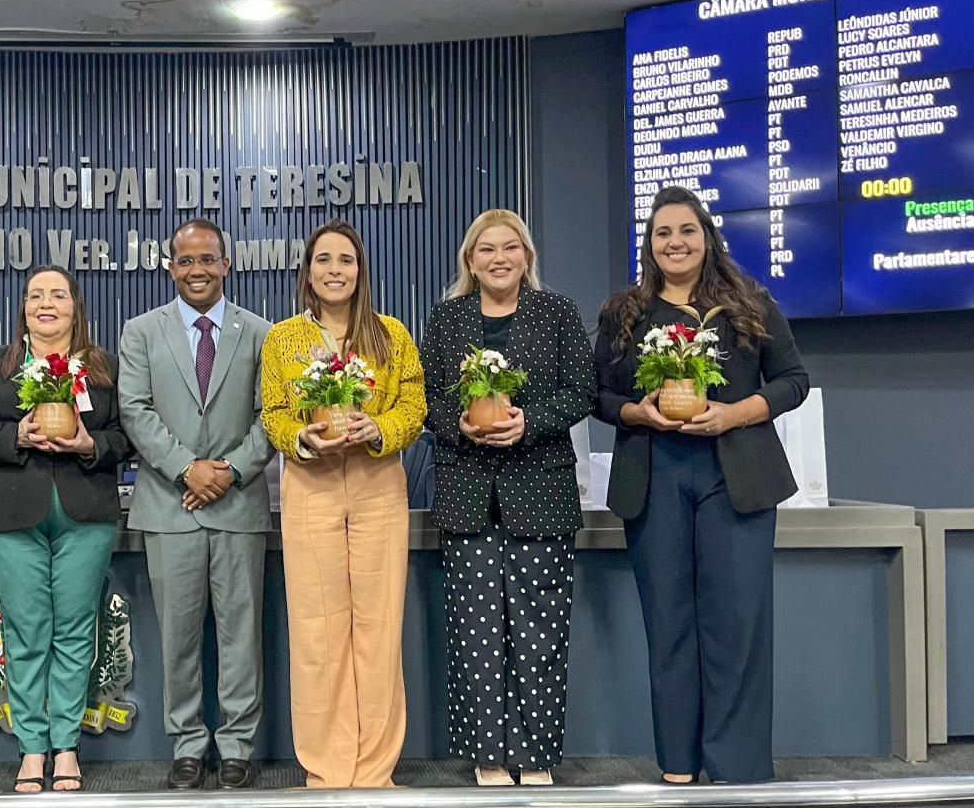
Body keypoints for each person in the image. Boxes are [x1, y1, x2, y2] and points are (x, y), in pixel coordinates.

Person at [593, 185, 809, 784]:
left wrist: (736, 412)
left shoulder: (750, 303)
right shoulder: (624, 313)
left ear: (706, 237)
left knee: (736, 625)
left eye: (686, 230)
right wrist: (638, 412)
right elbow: (598, 397)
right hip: (655, 474)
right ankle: (680, 764)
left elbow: (794, 379)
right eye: (663, 232)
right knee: (669, 624)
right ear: (650, 243)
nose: (675, 242)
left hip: (734, 476)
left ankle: (737, 767)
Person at [419, 209, 593, 786]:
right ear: (470, 260)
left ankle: (535, 756)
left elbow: (581, 393)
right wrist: (459, 426)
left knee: (541, 631)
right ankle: (489, 757)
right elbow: (426, 400)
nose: (498, 258)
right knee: (476, 634)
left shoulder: (558, 314)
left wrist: (531, 421)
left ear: (527, 257)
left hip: (539, 490)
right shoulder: (446, 321)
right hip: (468, 494)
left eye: (510, 247)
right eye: (486, 249)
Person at [259, 217, 427, 788]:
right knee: (317, 630)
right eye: (324, 260)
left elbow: (414, 408)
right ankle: (328, 770)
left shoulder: (391, 335)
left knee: (379, 627)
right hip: (312, 489)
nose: (336, 271)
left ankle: (375, 771)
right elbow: (274, 414)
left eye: (346, 260)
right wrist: (300, 439)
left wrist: (377, 428)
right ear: (308, 272)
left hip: (379, 486)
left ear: (361, 271)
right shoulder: (282, 340)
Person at [0, 266, 131, 793]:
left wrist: (90, 446)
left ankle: (67, 746)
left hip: (86, 514)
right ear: (23, 307)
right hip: (13, 516)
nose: (45, 304)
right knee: (27, 633)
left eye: (57, 295)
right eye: (35, 295)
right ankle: (32, 748)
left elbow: (127, 436)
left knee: (76, 632)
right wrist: (18, 436)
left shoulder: (103, 369)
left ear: (75, 306)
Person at [118, 218, 275, 789]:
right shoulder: (140, 331)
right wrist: (188, 467)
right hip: (169, 506)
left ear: (227, 264)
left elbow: (272, 416)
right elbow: (135, 410)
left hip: (238, 507)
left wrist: (229, 471)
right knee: (177, 637)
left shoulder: (261, 333)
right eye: (185, 261)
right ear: (170, 267)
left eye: (208, 259)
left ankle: (236, 746)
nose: (197, 270)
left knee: (241, 636)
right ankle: (187, 744)